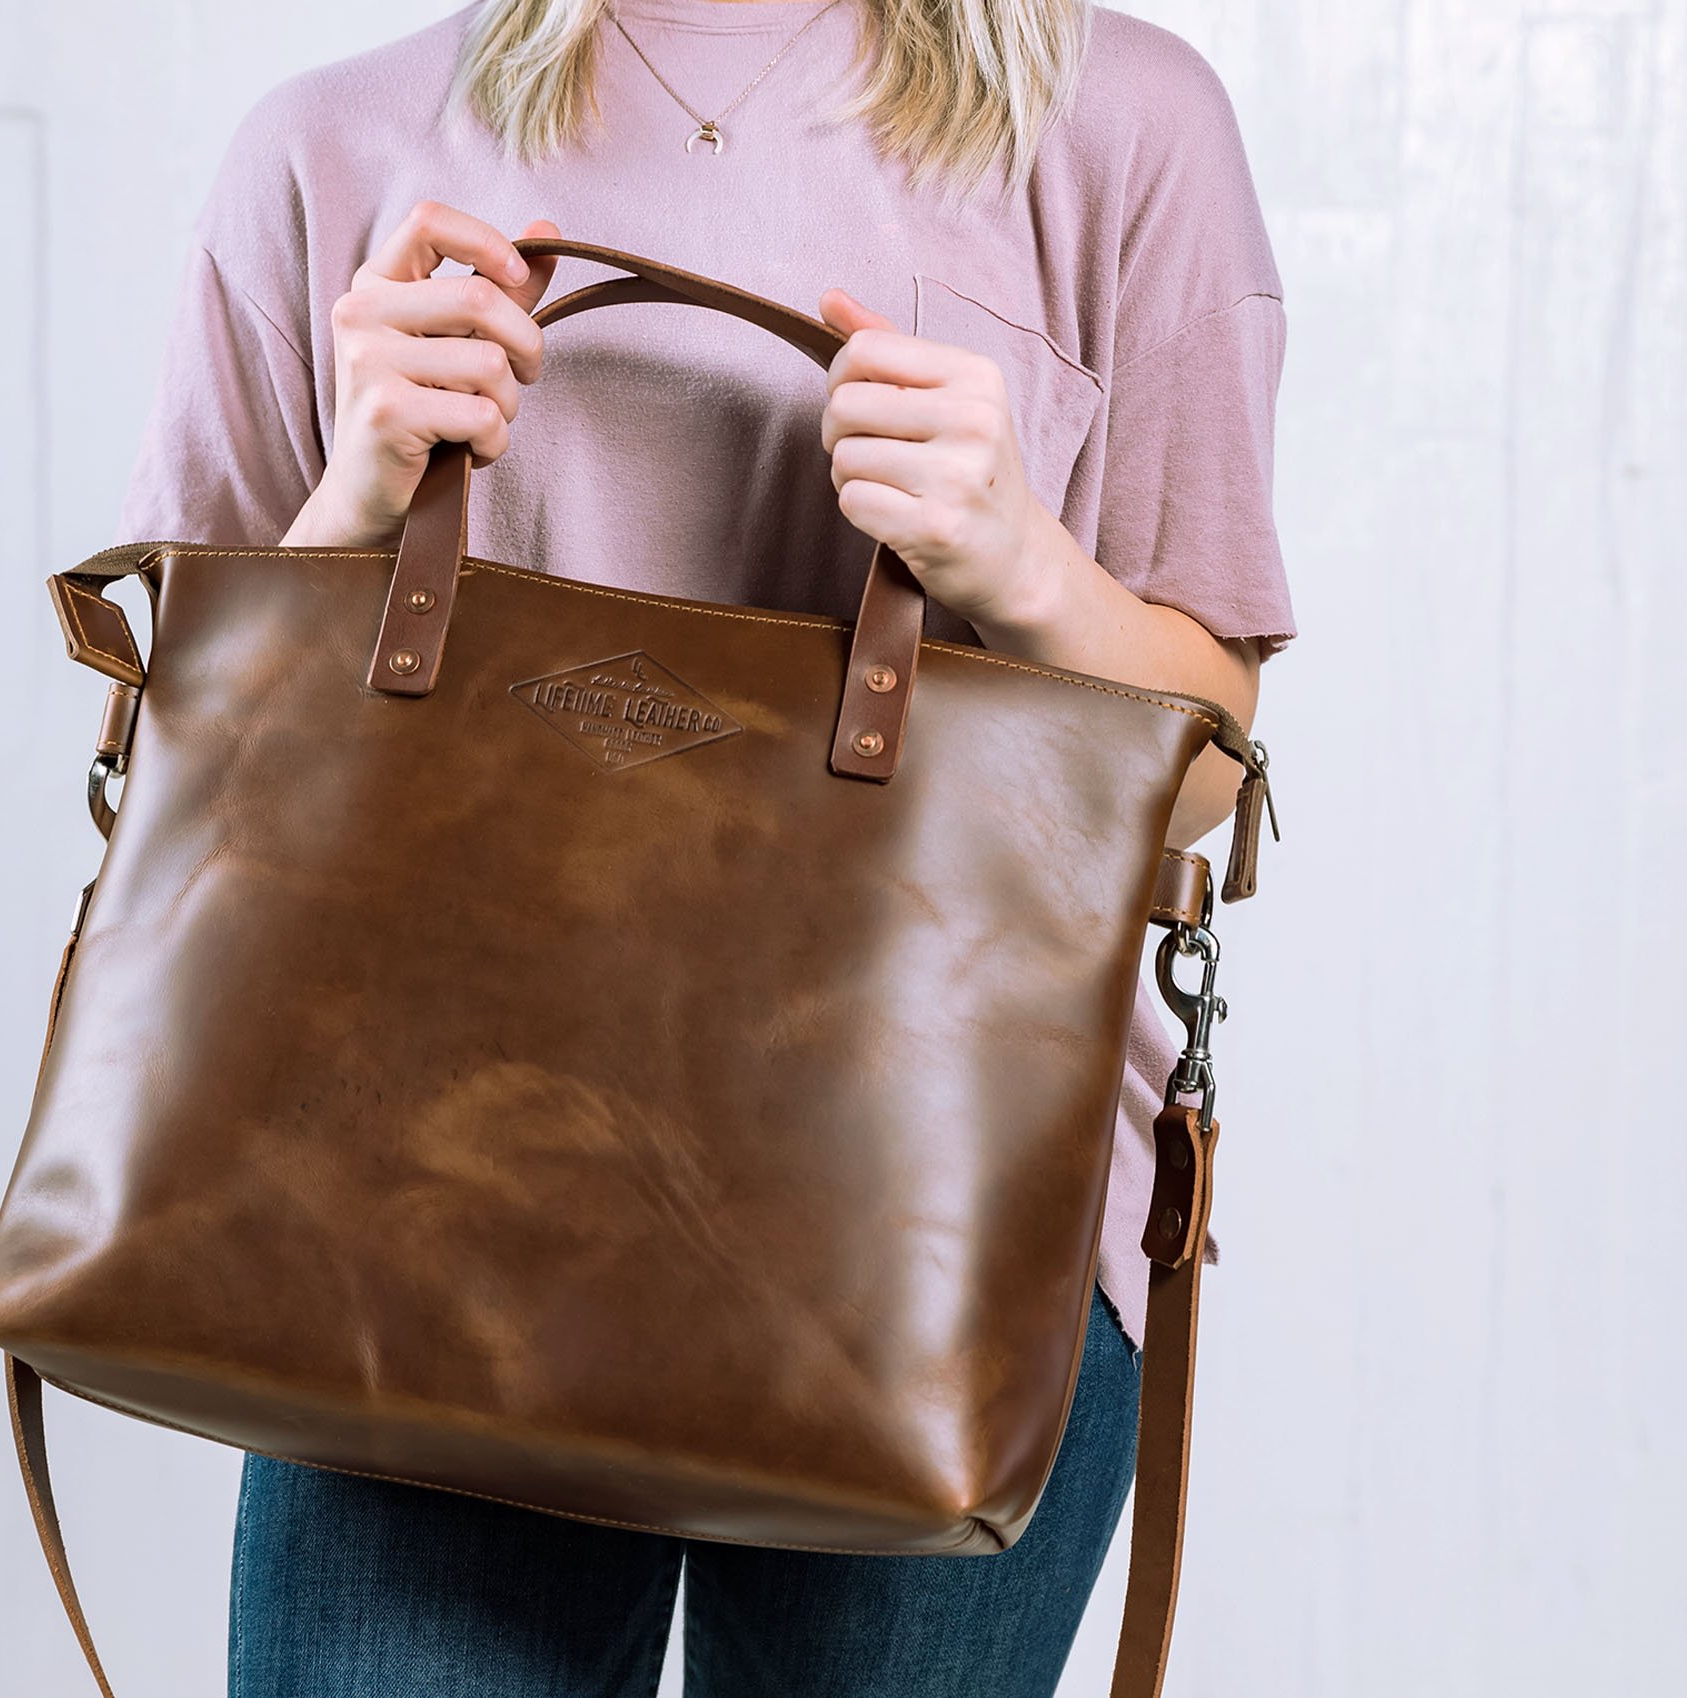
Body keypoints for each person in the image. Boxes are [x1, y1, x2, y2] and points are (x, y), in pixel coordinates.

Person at [113, 1, 1296, 1691]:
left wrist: (1019, 562)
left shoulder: (1121, 124)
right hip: (408, 1210)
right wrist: (353, 502)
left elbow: (1205, 781)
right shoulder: (334, 145)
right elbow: (183, 774)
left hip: (934, 1231)